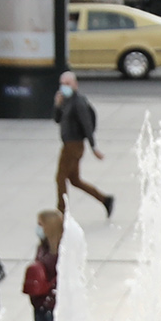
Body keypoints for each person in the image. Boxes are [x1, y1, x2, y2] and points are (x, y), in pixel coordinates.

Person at [54, 73, 114, 217]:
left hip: (74, 145)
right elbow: (57, 119)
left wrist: (94, 147)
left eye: (68, 83)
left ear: (75, 85)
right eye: (62, 83)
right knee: (74, 180)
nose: (64, 86)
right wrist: (57, 105)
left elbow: (87, 125)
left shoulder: (79, 102)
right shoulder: (65, 100)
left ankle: (61, 211)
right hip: (68, 144)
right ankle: (105, 199)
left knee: (60, 177)